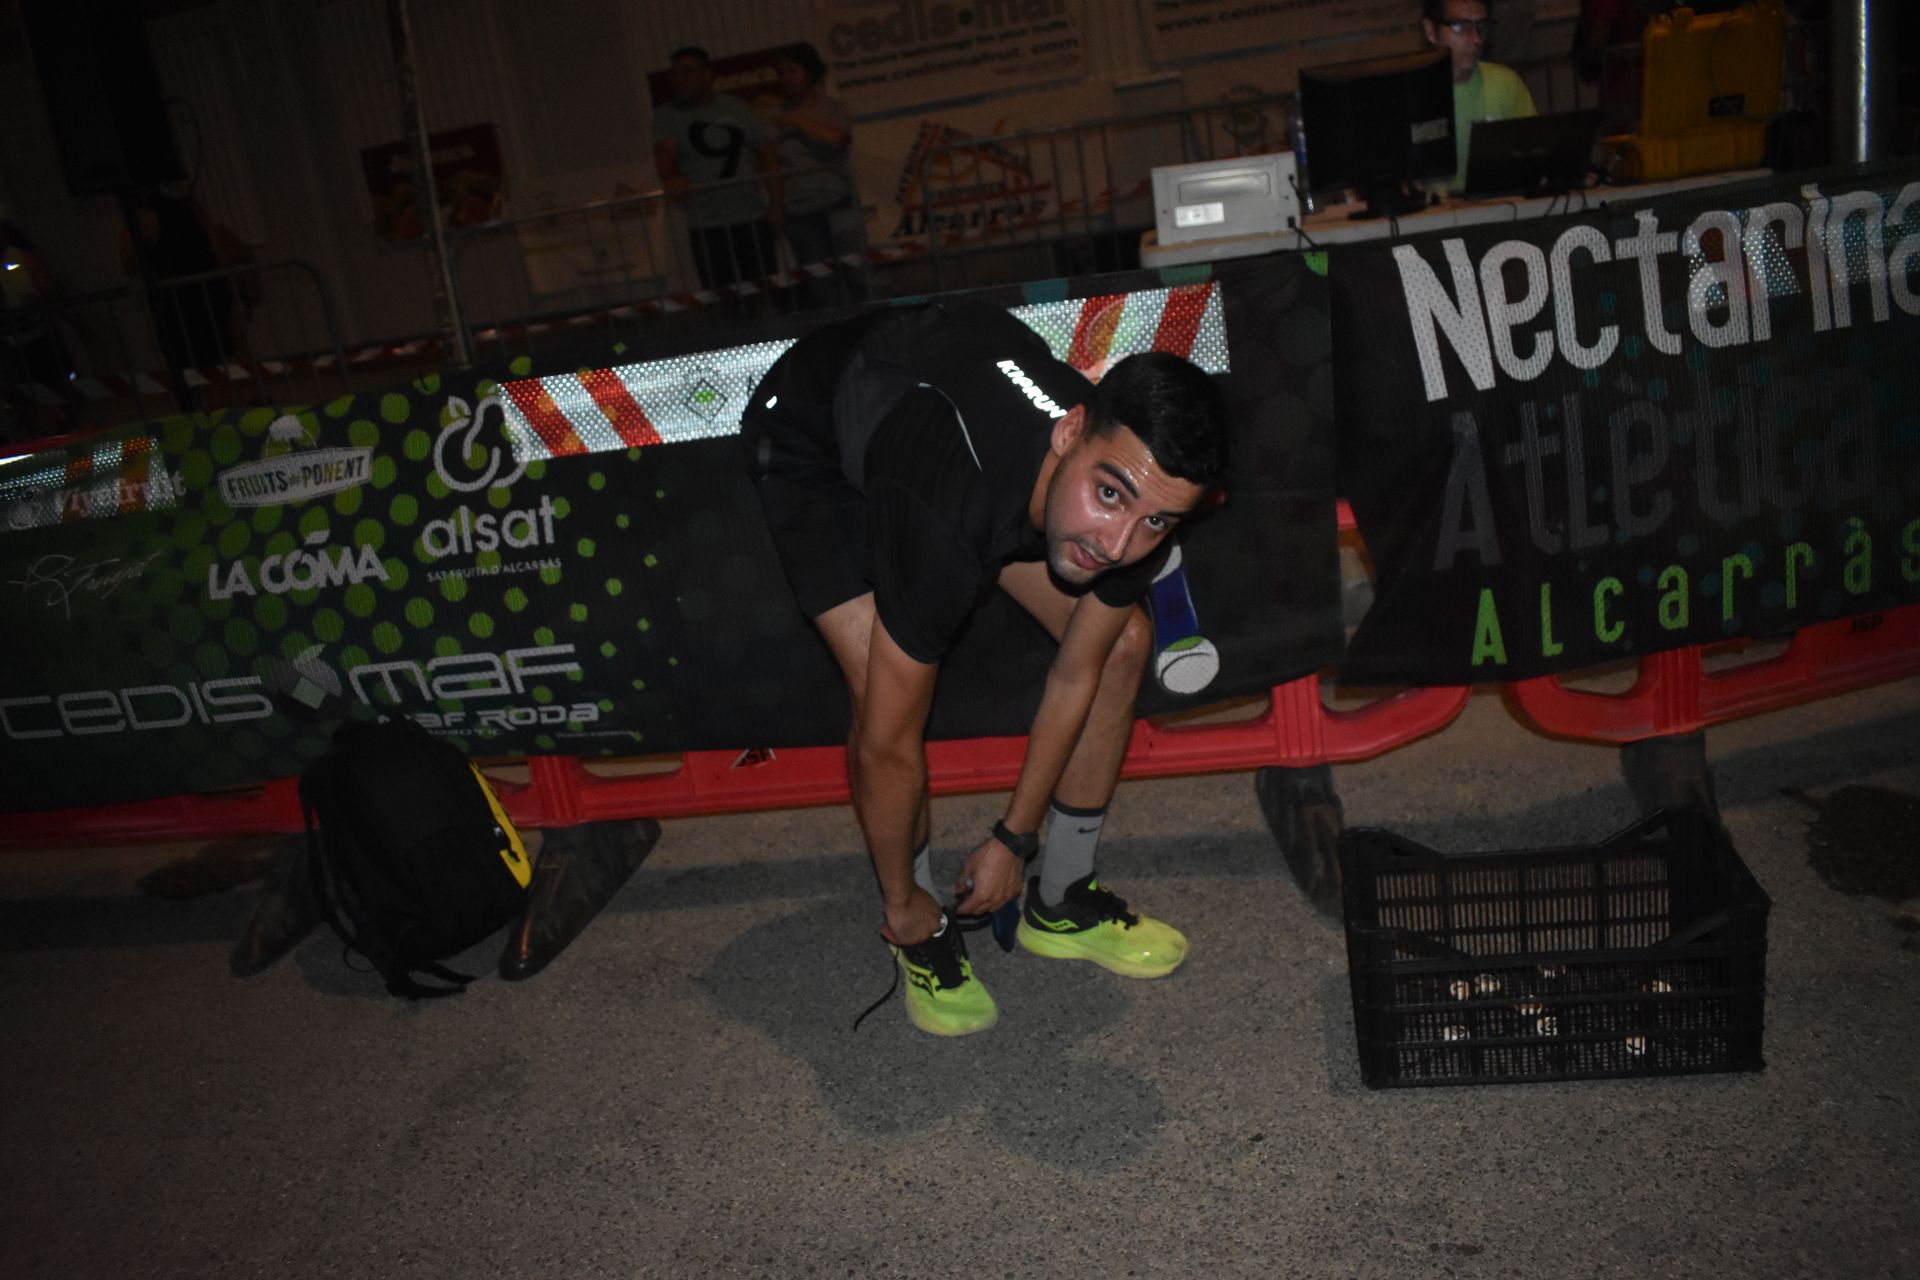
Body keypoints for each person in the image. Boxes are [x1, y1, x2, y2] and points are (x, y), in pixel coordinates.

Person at [738, 300, 1233, 1037]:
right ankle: (913, 922)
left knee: (1121, 643)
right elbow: (888, 746)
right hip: (816, 434)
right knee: (883, 700)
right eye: (1109, 495)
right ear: (1069, 432)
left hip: (958, 398)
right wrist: (911, 902)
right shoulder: (945, 505)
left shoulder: (1141, 497)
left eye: (1156, 522)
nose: (1118, 544)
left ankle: (1061, 900)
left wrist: (1012, 838)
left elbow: (1076, 673)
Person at [652, 46, 780, 305]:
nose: (679, 79)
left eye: (687, 72)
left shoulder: (736, 107)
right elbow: (665, 158)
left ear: (707, 73)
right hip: (707, 224)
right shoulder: (667, 115)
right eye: (674, 74)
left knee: (768, 291)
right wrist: (671, 178)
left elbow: (766, 154)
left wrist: (777, 203)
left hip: (751, 215)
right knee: (726, 299)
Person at [770, 42, 868, 308]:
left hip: (837, 204)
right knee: (820, 285)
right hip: (799, 211)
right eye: (782, 73)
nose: (787, 78)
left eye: (793, 71)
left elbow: (838, 140)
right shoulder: (775, 115)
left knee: (857, 275)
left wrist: (798, 121)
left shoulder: (832, 108)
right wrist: (777, 204)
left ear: (810, 72)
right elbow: (772, 163)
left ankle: (873, 324)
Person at [1422, 0, 1538, 193]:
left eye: (1482, 26)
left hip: (1499, 202)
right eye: (1461, 26)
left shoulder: (1505, 83)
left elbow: (1534, 154)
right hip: (1436, 210)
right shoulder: (1412, 94)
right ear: (1431, 31)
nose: (1476, 38)